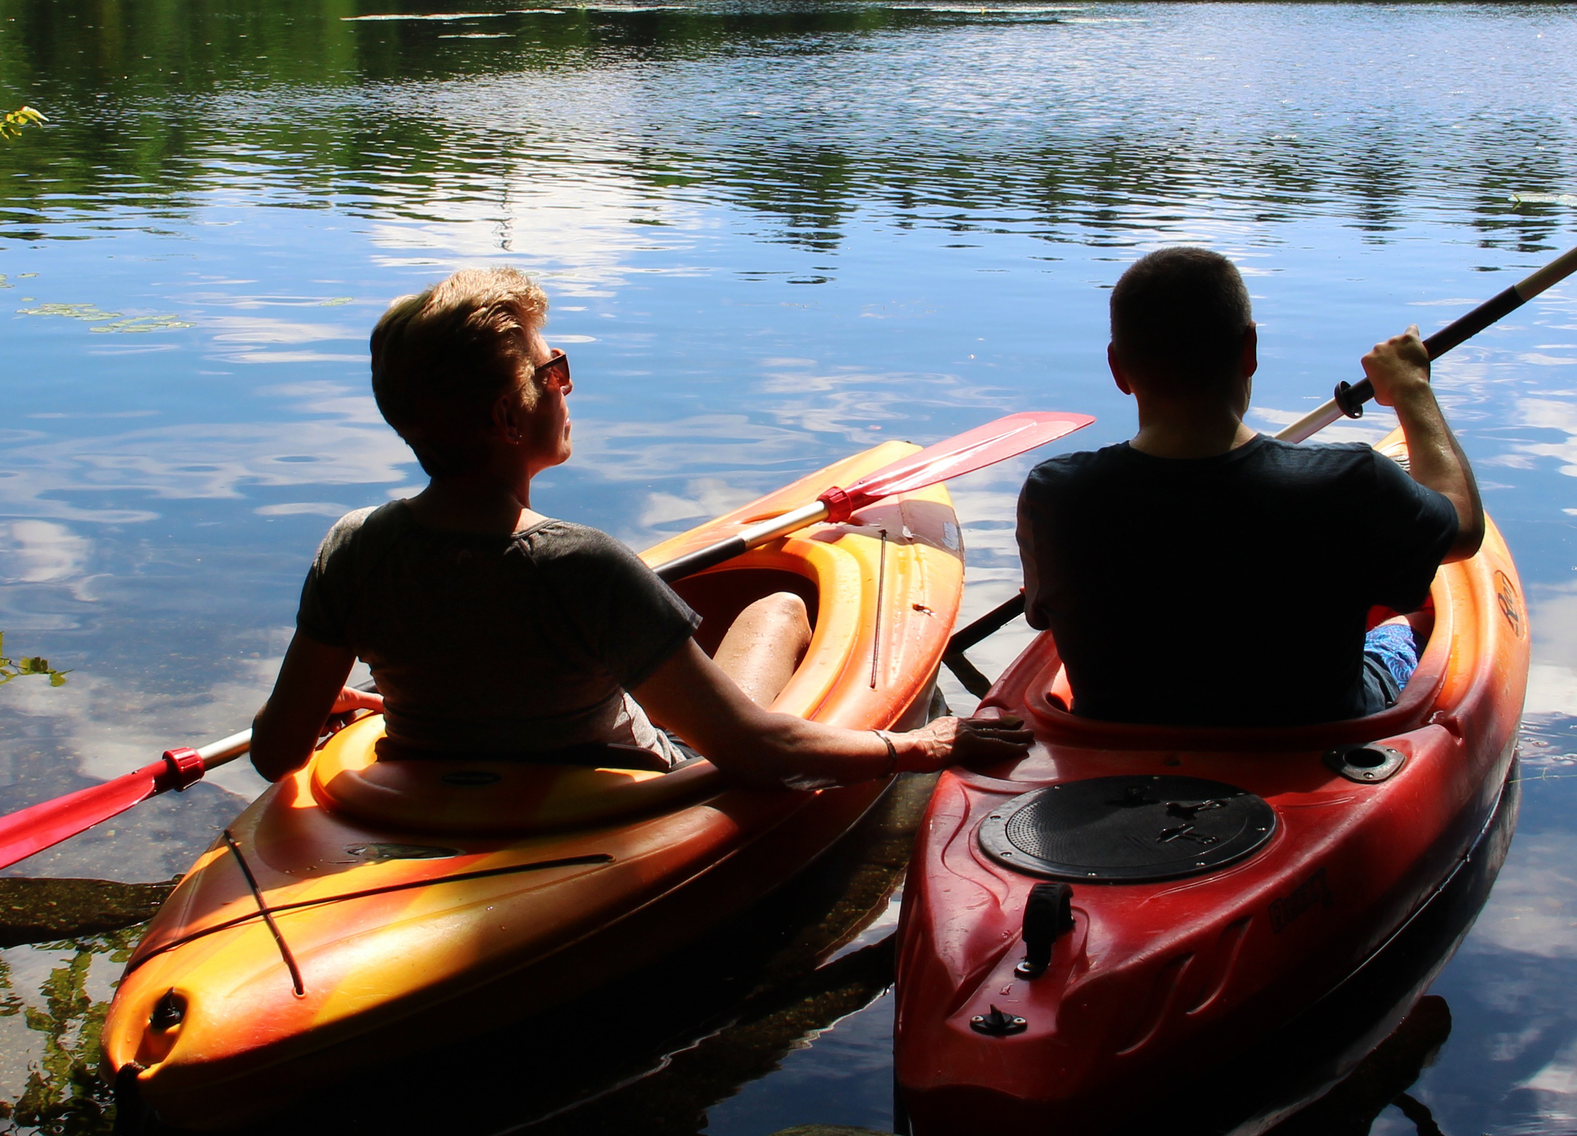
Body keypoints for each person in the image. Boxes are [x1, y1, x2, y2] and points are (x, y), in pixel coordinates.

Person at [249, 267, 1029, 784]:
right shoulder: (582, 566)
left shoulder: (351, 549)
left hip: (427, 781)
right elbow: (752, 751)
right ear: (506, 418)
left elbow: (276, 752)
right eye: (553, 371)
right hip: (610, 793)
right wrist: (920, 745)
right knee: (782, 607)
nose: (569, 385)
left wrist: (367, 701)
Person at [1014, 246, 1484, 728]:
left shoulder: (1054, 495)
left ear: (1117, 368)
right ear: (1249, 351)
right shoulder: (1351, 483)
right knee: (1413, 624)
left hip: (1115, 749)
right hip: (1310, 741)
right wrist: (1412, 389)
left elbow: (1043, 618)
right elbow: (1464, 528)